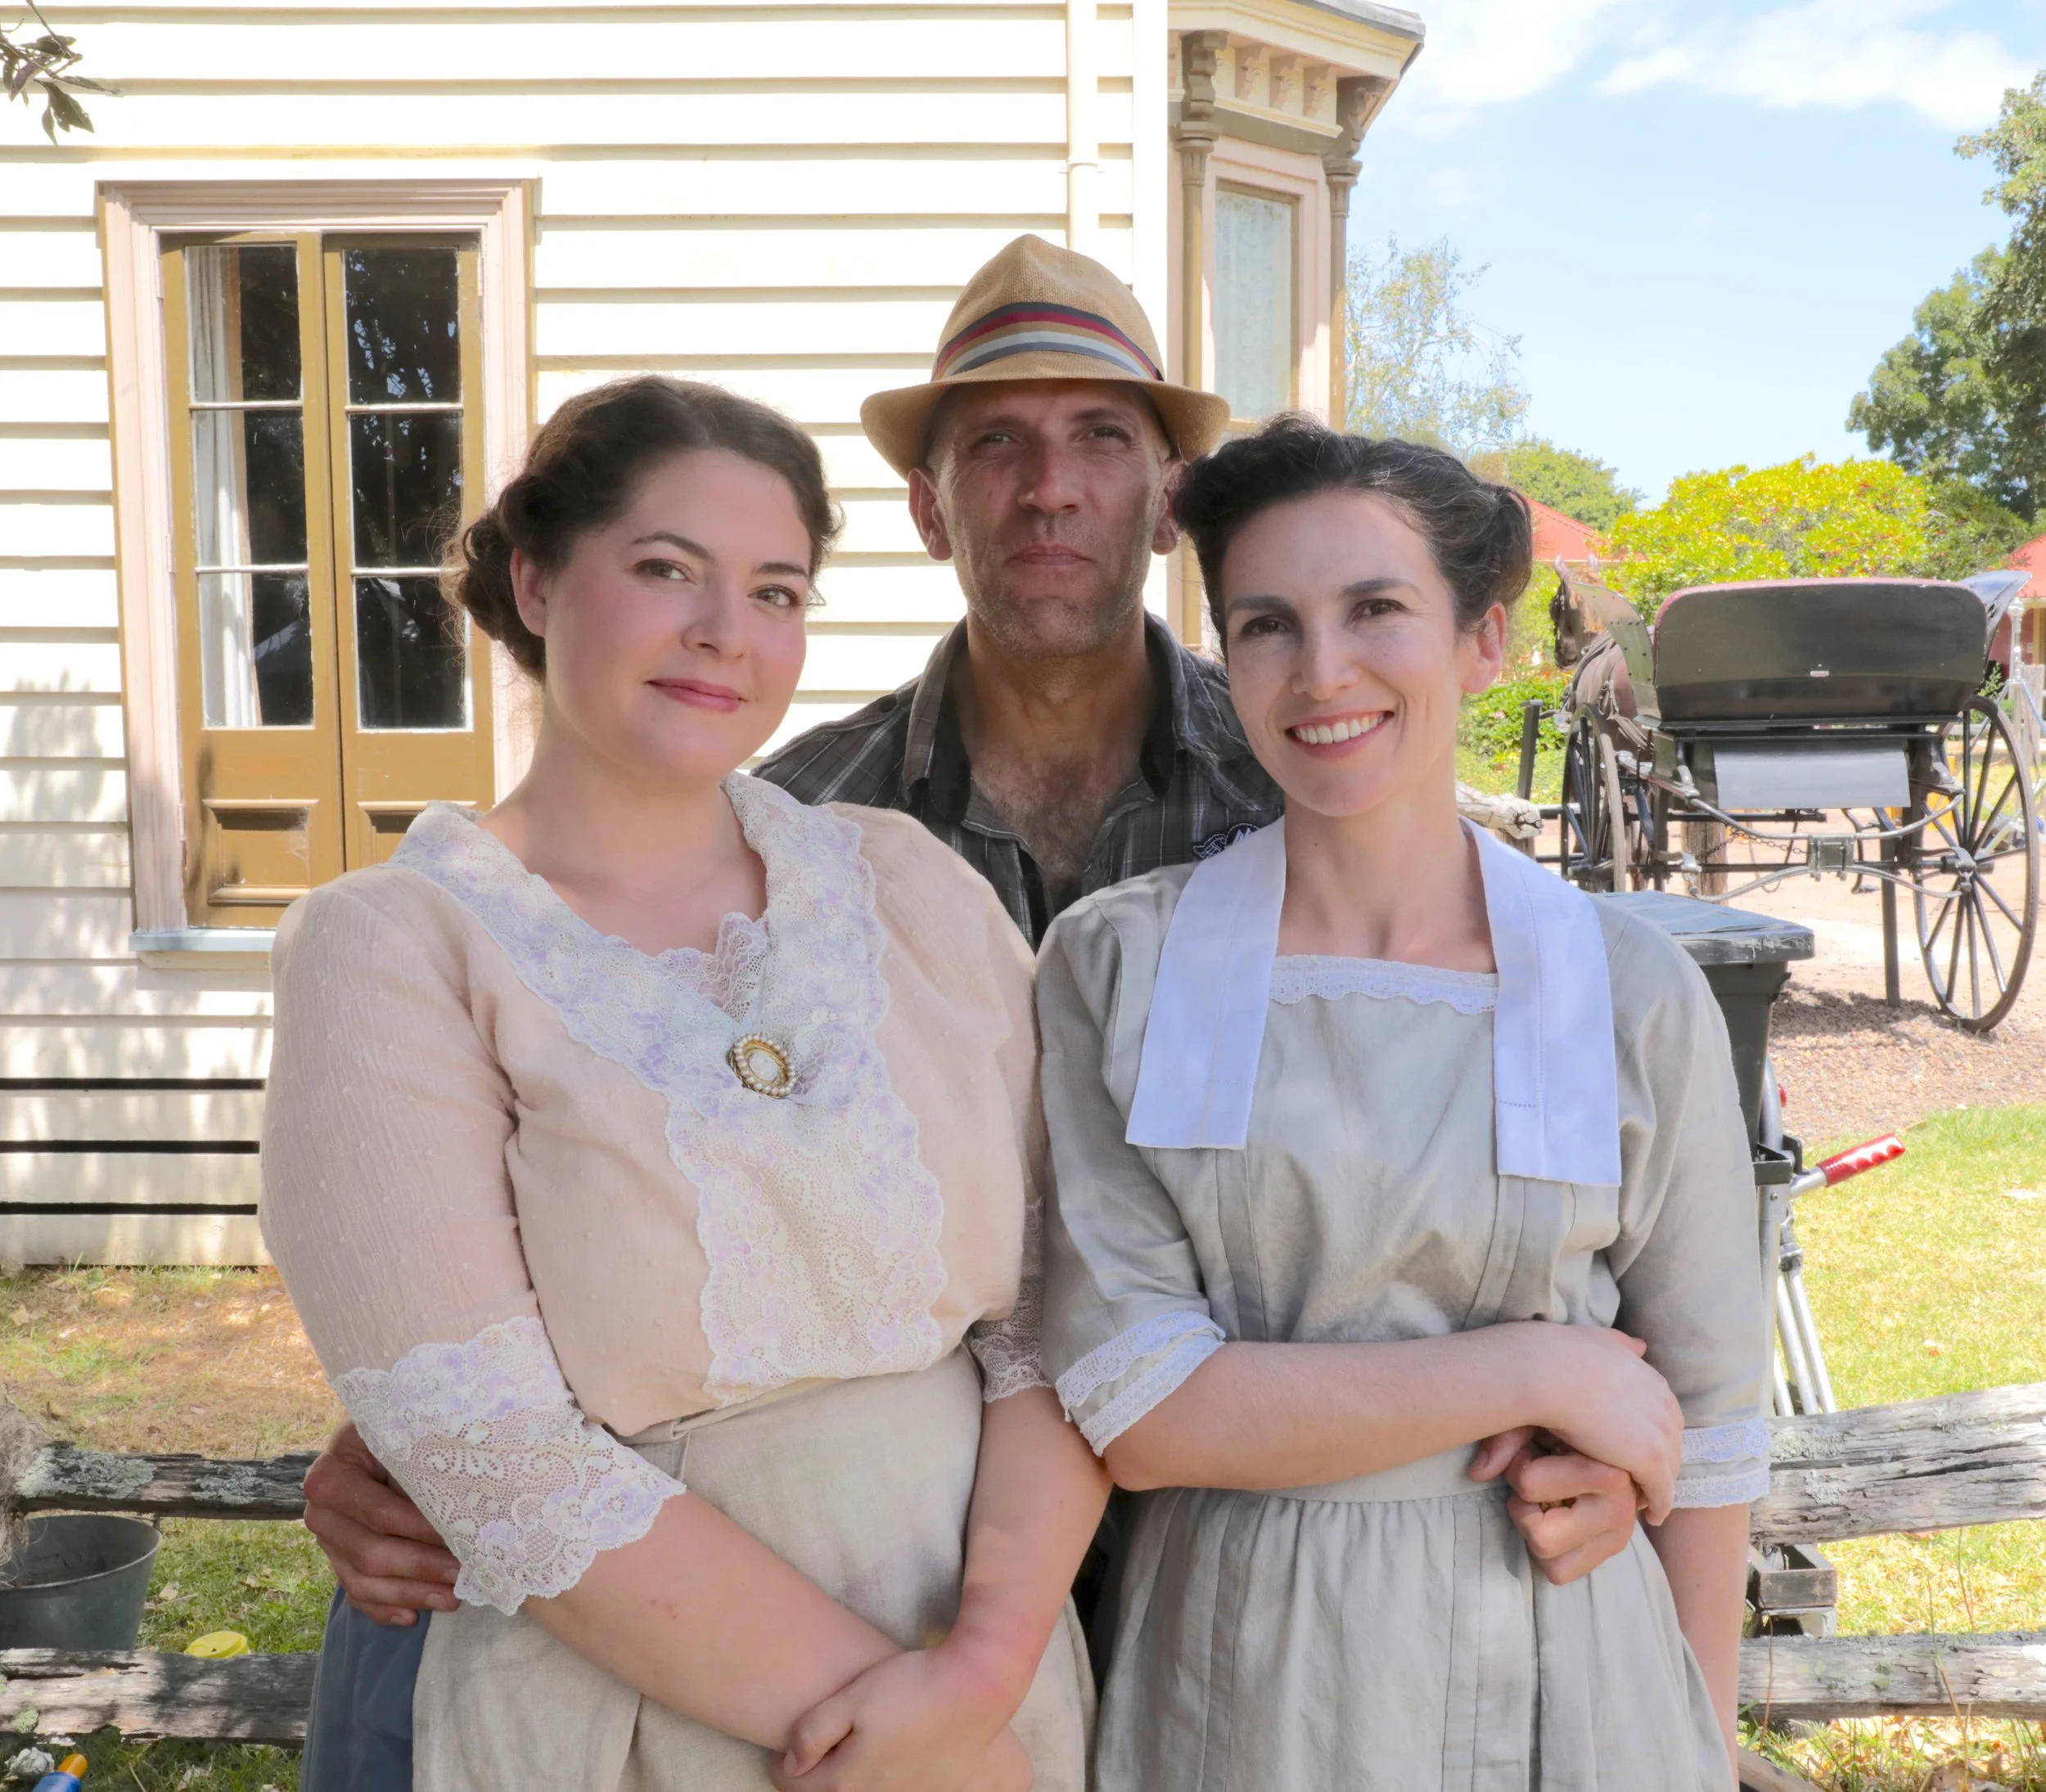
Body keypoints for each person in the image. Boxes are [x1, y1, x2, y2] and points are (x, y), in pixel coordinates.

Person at [290, 237, 1648, 1772]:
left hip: (1254, 1564)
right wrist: (428, 1423)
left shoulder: (1320, 768)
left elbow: (1548, 1166)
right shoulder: (802, 811)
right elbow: (556, 1289)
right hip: (774, 1633)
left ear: (1169, 492)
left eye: (1100, 442)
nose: (1049, 489)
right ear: (933, 507)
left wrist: (1597, 1424)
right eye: (994, 444)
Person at [264, 375, 1108, 1792]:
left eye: (778, 591)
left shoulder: (908, 887)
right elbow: (494, 1450)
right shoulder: (396, 948)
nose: (728, 631)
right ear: (535, 578)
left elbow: (1057, 1311)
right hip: (638, 1703)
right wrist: (933, 1762)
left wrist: (986, 1674)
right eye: (667, 571)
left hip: (983, 1657)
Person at [1035, 416, 1770, 1791]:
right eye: (1266, 625)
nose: (1324, 673)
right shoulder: (1122, 968)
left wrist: (1700, 1745)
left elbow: (1711, 1428)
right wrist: (1537, 1370)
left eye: (1377, 609)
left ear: (1483, 640)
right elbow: (1143, 1408)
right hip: (1247, 1682)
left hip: (1569, 1666)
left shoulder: (1626, 991)